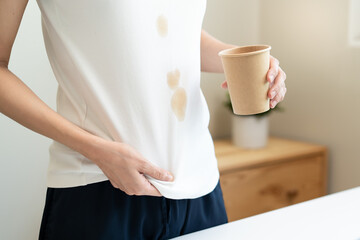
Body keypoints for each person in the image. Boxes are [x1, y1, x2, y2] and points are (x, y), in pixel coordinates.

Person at [0, 0, 287, 239]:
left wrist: (242, 60)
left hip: (200, 189)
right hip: (99, 188)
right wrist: (94, 149)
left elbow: (173, 32)